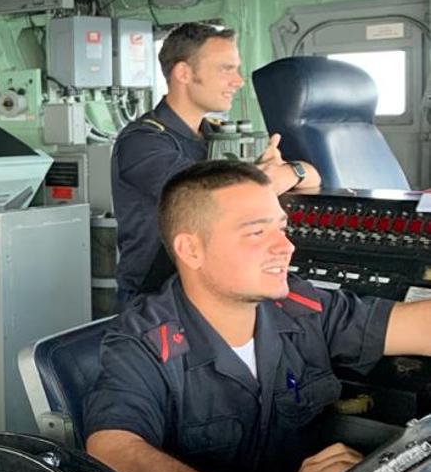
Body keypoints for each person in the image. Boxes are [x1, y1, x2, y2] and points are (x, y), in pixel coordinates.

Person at [83, 160, 431, 472]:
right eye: (256, 233)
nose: (286, 247)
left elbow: (419, 326)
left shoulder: (300, 308)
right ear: (191, 250)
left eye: (282, 228)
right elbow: (114, 454)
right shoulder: (144, 343)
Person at [111, 22, 321, 306]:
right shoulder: (143, 142)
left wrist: (290, 172)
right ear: (183, 73)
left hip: (214, 290)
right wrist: (270, 179)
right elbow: (212, 199)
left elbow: (312, 176)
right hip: (156, 300)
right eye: (226, 69)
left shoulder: (217, 134)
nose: (238, 81)